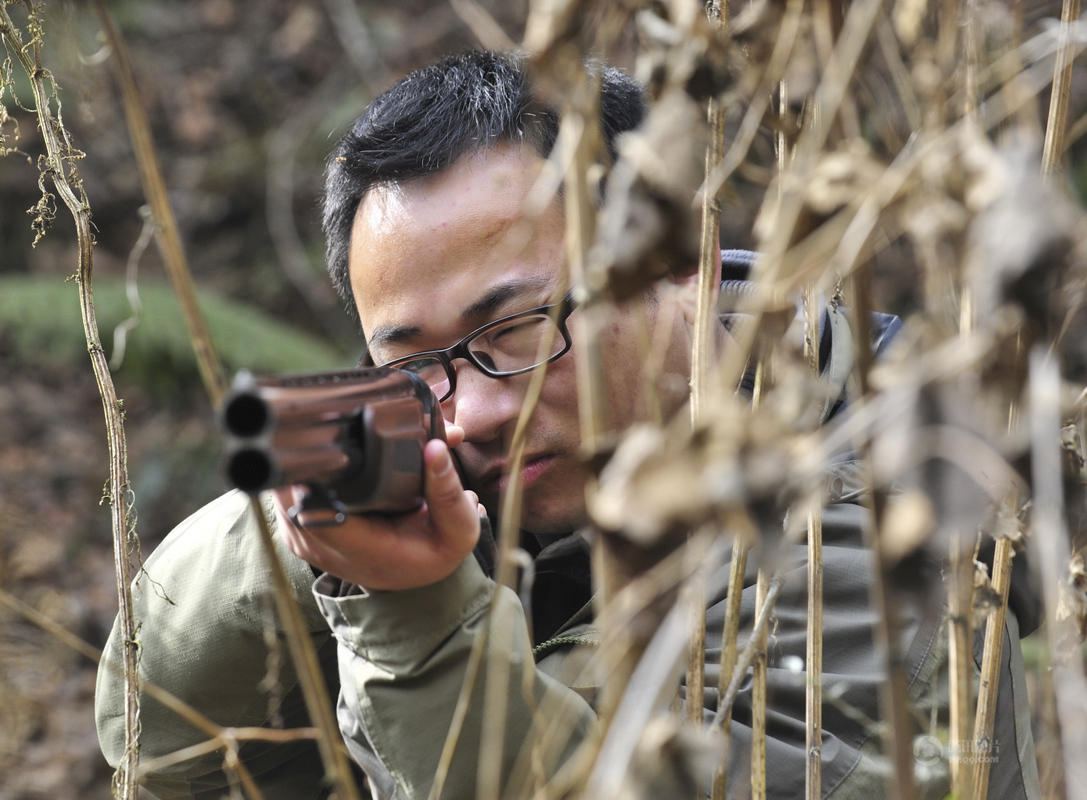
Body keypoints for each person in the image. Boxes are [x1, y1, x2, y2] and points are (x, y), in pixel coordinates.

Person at [96, 50, 1041, 799]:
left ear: (685, 266)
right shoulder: (450, 466)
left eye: (518, 330)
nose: (475, 412)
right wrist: (320, 515)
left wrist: (417, 623)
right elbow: (159, 741)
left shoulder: (899, 515)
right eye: (415, 364)